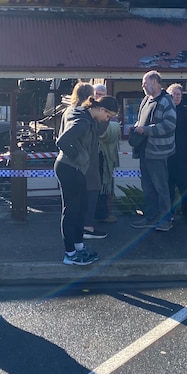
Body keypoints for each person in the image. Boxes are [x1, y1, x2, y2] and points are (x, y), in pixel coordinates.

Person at [55, 95, 119, 265]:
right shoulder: (83, 121)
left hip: (74, 168)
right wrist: (79, 157)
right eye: (109, 115)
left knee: (81, 209)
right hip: (70, 168)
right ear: (101, 109)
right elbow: (62, 141)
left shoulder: (85, 116)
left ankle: (79, 247)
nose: (108, 119)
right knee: (71, 212)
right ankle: (70, 254)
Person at [129, 70, 177, 232]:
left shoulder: (166, 100)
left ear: (156, 82)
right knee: (148, 186)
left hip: (157, 152)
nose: (143, 85)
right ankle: (151, 217)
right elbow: (140, 120)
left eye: (146, 82)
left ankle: (165, 220)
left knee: (160, 187)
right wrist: (137, 127)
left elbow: (170, 125)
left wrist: (146, 130)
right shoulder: (146, 100)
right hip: (144, 151)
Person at [62, 82, 107, 240]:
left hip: (75, 161)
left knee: (72, 203)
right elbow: (97, 132)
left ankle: (77, 237)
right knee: (91, 191)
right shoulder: (83, 115)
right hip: (85, 160)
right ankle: (86, 227)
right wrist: (78, 157)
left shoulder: (69, 111)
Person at [167, 83, 187, 226]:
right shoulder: (163, 111)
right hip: (166, 156)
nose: (175, 97)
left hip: (183, 156)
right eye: (173, 94)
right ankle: (168, 213)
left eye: (178, 94)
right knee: (167, 187)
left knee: (185, 186)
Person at [93, 84, 120, 224]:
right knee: (96, 187)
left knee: (106, 186)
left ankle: (104, 214)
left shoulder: (112, 117)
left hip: (108, 157)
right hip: (95, 156)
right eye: (97, 93)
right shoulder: (90, 114)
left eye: (102, 94)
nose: (99, 96)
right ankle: (96, 215)